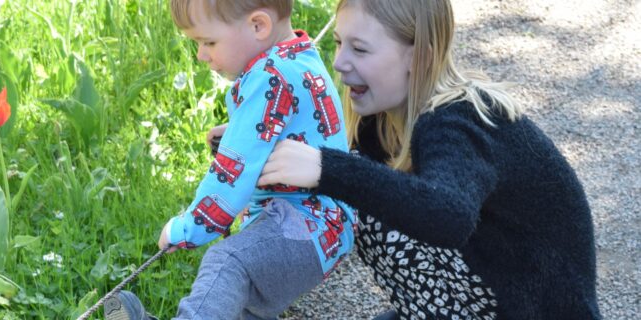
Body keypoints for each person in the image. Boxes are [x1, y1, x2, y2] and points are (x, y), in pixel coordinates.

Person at [254, 0, 602, 319]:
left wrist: (325, 167)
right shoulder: (378, 120)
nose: (339, 62)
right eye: (338, 43)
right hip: (463, 307)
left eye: (359, 49)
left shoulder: (461, 121)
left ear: (419, 57)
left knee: (361, 183)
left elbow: (447, 216)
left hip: (531, 311)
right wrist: (260, 145)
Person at [103, 0, 357, 319]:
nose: (201, 55)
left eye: (208, 42)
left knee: (229, 261)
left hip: (306, 223)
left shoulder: (271, 76)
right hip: (319, 225)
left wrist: (188, 227)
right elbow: (291, 126)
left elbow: (232, 175)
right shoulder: (295, 57)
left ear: (258, 26)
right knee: (242, 301)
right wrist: (238, 128)